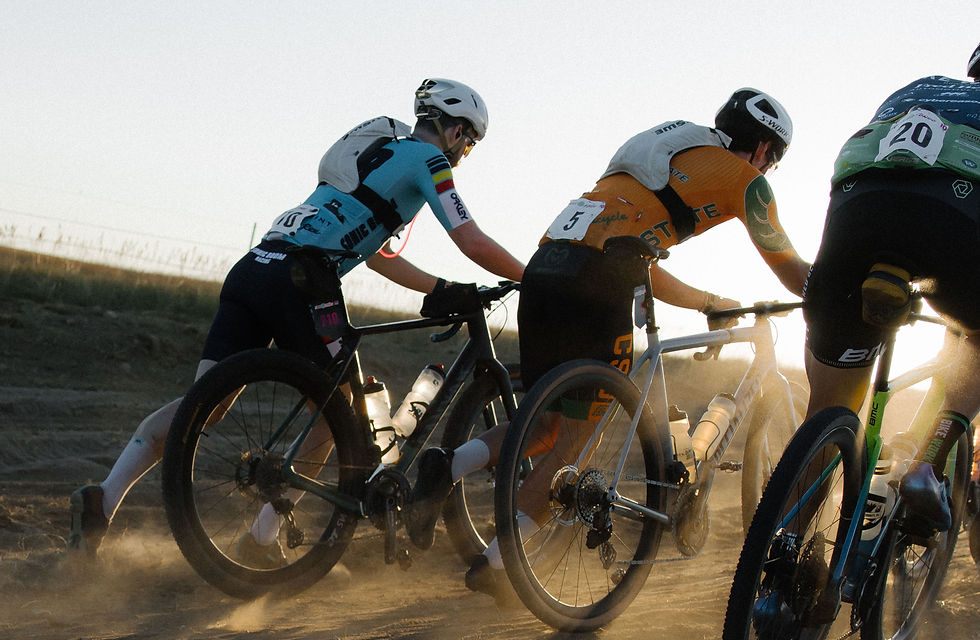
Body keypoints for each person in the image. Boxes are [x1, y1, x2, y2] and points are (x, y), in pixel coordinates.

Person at [68, 78, 525, 559]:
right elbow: (470, 239)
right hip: (304, 280)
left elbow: (379, 257)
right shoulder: (428, 161)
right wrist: (531, 276)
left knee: (203, 404)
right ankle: (259, 541)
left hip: (256, 266)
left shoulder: (382, 152)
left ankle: (104, 496)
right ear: (455, 131)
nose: (465, 153)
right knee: (337, 420)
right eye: (470, 144)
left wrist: (441, 288)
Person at [403, 88, 811, 594]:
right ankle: (501, 567)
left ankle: (449, 465)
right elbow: (789, 267)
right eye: (772, 159)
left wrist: (709, 302)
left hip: (546, 269)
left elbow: (627, 255)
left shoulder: (668, 145)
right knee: (575, 442)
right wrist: (828, 294)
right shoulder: (744, 178)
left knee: (545, 422)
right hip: (597, 282)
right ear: (764, 150)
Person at [802, 44, 980, 530]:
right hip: (959, 219)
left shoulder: (923, 86)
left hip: (859, 214)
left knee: (829, 412)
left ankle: (781, 560)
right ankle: (929, 462)